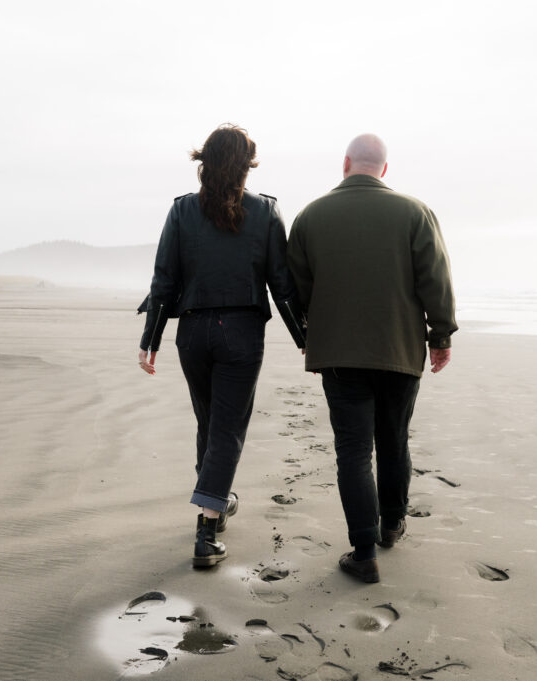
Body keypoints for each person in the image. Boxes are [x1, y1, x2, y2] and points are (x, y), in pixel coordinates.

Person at [286, 133, 456, 583]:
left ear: (345, 164)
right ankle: (393, 523)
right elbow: (434, 279)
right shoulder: (415, 213)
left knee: (354, 451)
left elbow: (296, 287)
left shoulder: (310, 216)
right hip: (400, 349)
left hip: (340, 354)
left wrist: (309, 332)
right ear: (384, 169)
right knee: (394, 438)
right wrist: (440, 335)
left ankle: (363, 552)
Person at [138, 124, 306, 569]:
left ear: (204, 163)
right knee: (227, 427)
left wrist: (150, 340)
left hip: (192, 333)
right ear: (246, 166)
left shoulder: (180, 212)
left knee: (210, 422)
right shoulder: (266, 213)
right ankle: (207, 529)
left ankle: (217, 497)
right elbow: (282, 286)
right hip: (241, 331)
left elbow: (163, 280)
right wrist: (306, 339)